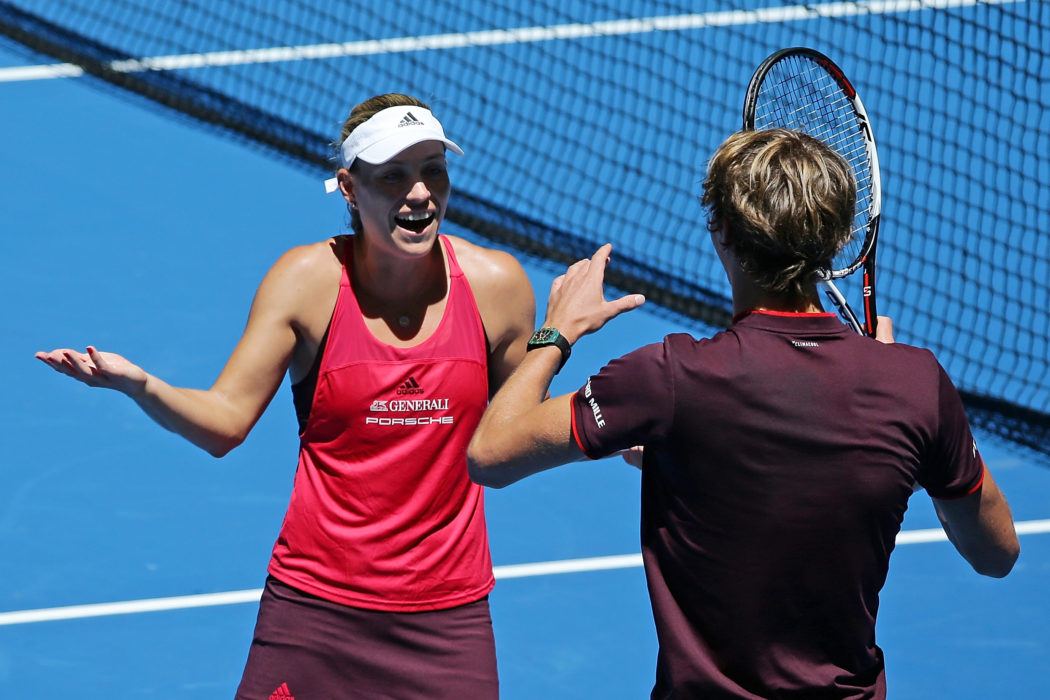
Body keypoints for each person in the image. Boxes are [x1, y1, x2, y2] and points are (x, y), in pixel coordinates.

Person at [466, 128, 1019, 699]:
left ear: (723, 231)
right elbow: (996, 552)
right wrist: (901, 405)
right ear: (836, 236)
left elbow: (492, 453)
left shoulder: (668, 380)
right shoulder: (914, 381)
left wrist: (557, 332)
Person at [36, 93, 535, 699]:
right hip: (315, 613)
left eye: (434, 169)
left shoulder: (498, 288)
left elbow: (520, 431)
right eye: (394, 176)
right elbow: (225, 421)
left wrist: (619, 424)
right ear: (349, 188)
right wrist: (142, 386)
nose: (421, 193)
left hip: (446, 622)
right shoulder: (306, 283)